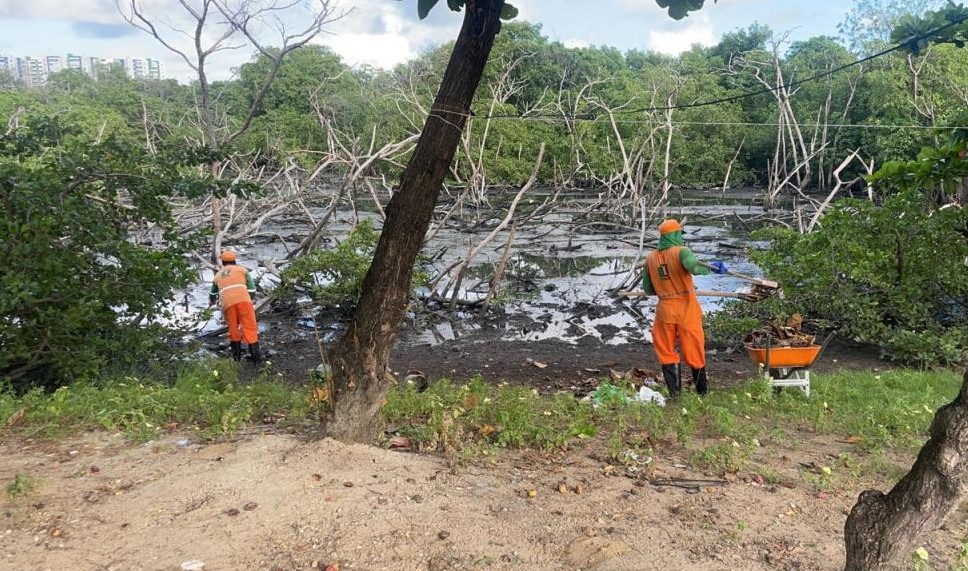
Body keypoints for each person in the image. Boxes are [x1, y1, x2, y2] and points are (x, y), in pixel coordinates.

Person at [641, 219, 728, 397]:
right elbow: (694, 267)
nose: (681, 238)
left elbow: (648, 289)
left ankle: (675, 396)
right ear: (675, 235)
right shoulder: (682, 251)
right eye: (679, 234)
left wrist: (664, 286)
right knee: (694, 349)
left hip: (665, 311)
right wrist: (712, 267)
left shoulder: (650, 258)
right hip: (686, 309)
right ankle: (702, 393)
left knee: (666, 350)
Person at [209, 250, 262, 365]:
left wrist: (212, 302)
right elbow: (252, 290)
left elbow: (212, 294)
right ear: (234, 261)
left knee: (233, 330)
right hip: (244, 302)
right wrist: (248, 299)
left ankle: (236, 361)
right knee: (250, 328)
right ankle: (257, 362)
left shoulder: (217, 275)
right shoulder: (243, 270)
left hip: (228, 304)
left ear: (223, 262)